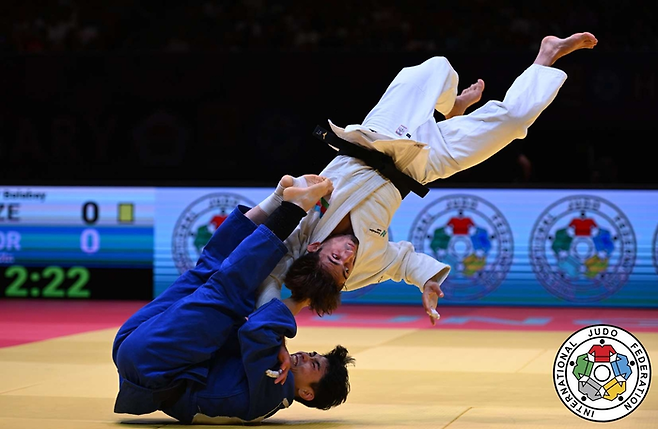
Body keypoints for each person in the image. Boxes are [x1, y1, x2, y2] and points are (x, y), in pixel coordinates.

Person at [255, 32, 598, 323]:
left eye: (336, 258)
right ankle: (547, 54)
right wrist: (427, 281)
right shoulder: (359, 270)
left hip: (381, 133)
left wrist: (268, 328)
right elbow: (401, 261)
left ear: (315, 247)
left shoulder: (298, 238)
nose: (347, 257)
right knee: (512, 123)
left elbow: (267, 278)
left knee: (437, 67)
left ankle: (450, 110)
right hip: (418, 164)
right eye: (346, 268)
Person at [112, 175, 355, 425]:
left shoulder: (274, 391)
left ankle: (292, 208)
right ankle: (276, 200)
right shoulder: (273, 381)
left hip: (151, 362)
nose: (305, 356)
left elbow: (255, 327)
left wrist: (302, 300)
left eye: (313, 365)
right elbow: (252, 331)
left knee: (227, 291)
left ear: (306, 393)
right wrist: (279, 342)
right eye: (313, 354)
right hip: (139, 353)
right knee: (207, 273)